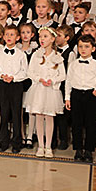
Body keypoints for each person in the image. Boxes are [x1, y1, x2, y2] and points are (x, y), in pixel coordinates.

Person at [23, 27, 66, 158]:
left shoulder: (57, 56)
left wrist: (52, 80)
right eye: (41, 36)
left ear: (53, 39)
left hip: (51, 92)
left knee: (49, 117)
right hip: (38, 90)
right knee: (39, 117)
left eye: (45, 37)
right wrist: (39, 79)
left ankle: (48, 146)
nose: (42, 39)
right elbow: (30, 72)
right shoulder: (36, 55)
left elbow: (62, 75)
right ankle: (40, 146)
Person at [65, 35, 96, 163]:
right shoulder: (73, 64)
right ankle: (78, 149)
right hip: (76, 94)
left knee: (91, 124)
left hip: (91, 95)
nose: (83, 49)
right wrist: (67, 98)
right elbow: (68, 81)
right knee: (76, 123)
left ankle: (88, 150)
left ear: (93, 49)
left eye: (87, 47)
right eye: (81, 46)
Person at [0, 25, 28, 154]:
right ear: (3, 36)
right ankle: (3, 141)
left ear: (18, 37)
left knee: (16, 114)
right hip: (2, 85)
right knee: (4, 113)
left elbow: (25, 72)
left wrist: (13, 77)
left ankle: (17, 142)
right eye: (7, 34)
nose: (9, 37)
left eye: (12, 35)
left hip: (16, 85)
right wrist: (2, 76)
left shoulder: (21, 54)